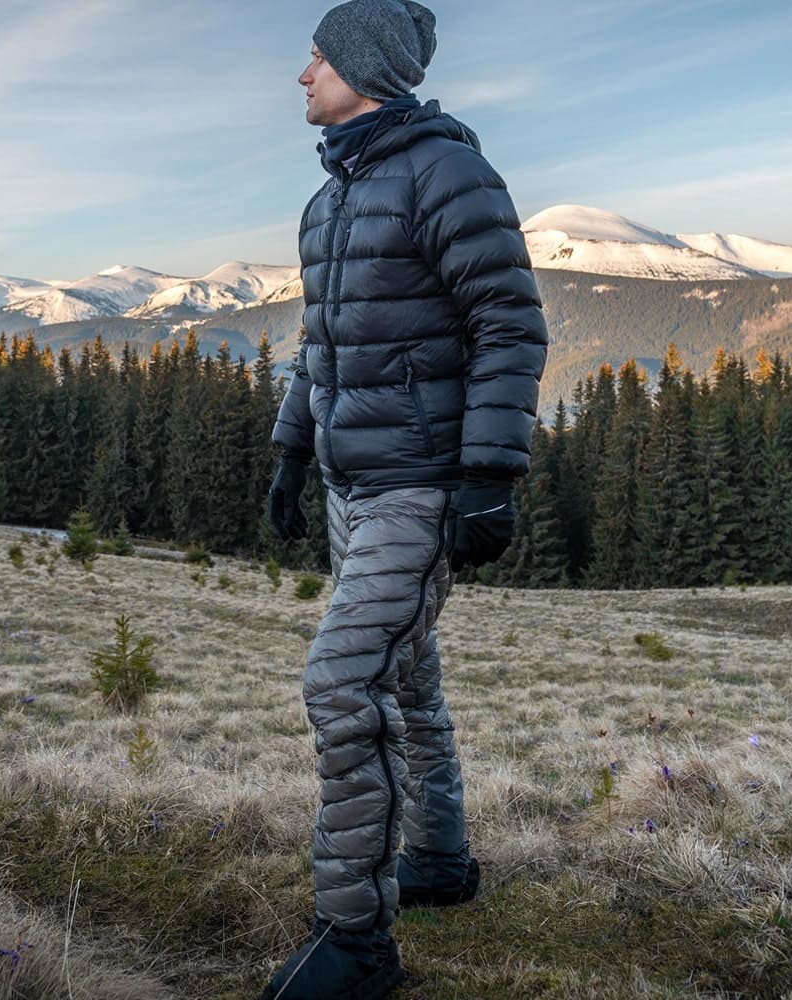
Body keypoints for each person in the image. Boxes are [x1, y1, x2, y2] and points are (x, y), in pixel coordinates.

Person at [263, 1, 548, 996]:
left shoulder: (446, 174)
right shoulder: (328, 200)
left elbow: (509, 326)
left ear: (362, 67)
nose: (302, 75)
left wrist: (488, 476)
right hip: (351, 486)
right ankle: (439, 857)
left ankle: (355, 941)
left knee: (342, 683)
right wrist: (290, 453)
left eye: (315, 57)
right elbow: (321, 346)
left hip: (417, 488)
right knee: (409, 679)